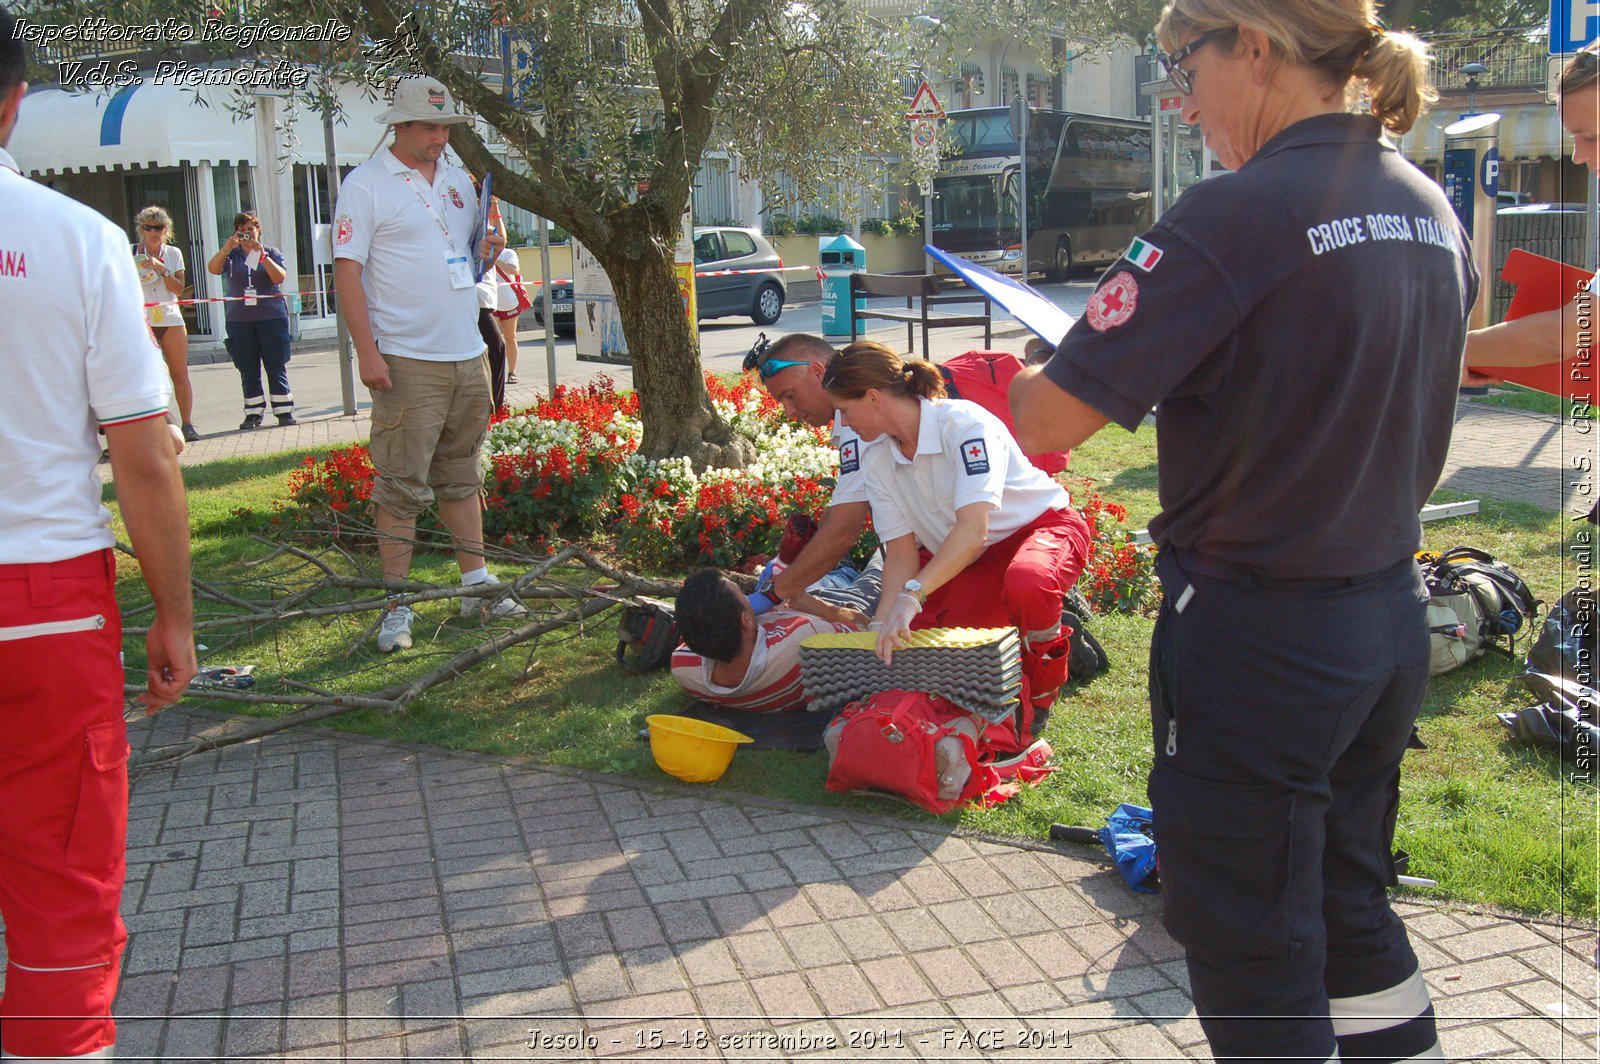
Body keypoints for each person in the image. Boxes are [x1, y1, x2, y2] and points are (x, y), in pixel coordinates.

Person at [1008, 3, 1473, 1060]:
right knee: (1347, 903)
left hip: (1260, 641)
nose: (1180, 95)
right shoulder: (1425, 206)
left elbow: (1048, 421)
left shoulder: (1231, 214)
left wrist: (1017, 375)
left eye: (1185, 62)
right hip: (1385, 621)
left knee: (1249, 934)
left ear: (1253, 46)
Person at [0, 9, 197, 1058]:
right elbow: (144, 452)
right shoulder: (76, 238)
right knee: (63, 897)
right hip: (44, 599)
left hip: (47, 593)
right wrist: (174, 612)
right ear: (15, 101)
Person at [332, 76, 518, 653]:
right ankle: (397, 606)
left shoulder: (461, 180)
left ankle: (474, 586)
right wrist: (367, 350)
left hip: (466, 348)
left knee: (462, 474)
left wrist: (491, 241)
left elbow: (474, 252)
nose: (441, 137)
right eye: (431, 127)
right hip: (406, 357)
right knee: (400, 488)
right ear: (401, 127)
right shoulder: (365, 185)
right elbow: (346, 272)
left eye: (446, 128)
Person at [821, 340, 1091, 713]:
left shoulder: (964, 425)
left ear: (873, 398)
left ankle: (1045, 688)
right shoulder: (875, 456)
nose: (843, 424)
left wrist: (911, 596)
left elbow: (973, 530)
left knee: (1027, 583)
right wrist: (880, 625)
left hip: (1040, 529)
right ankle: (1032, 635)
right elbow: (900, 553)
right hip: (969, 557)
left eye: (844, 411)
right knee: (938, 659)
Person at [744, 333, 878, 614]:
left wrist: (774, 593)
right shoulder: (855, 413)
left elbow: (842, 531)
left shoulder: (858, 423)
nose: (789, 412)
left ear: (818, 371)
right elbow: (842, 509)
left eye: (790, 396)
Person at [672, 559, 880, 713]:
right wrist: (803, 599)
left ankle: (842, 567)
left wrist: (766, 600)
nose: (749, 598)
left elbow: (698, 629)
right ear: (746, 621)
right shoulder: (803, 641)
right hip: (836, 605)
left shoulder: (685, 669)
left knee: (810, 569)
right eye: (743, 595)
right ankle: (845, 568)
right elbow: (866, 630)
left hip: (790, 605)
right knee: (883, 561)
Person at [206, 210, 296, 429]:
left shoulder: (271, 252)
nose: (247, 234)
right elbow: (213, 269)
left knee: (275, 364)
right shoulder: (232, 256)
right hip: (240, 320)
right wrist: (227, 247)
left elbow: (279, 277)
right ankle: (253, 413)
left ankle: (284, 411)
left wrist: (262, 256)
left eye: (251, 229)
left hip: (271, 317)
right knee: (248, 368)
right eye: (242, 230)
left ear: (258, 231)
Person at [132, 204, 199, 442]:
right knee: (144, 376)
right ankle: (149, 430)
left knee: (179, 373)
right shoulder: (131, 252)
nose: (153, 232)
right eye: (148, 227)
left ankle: (188, 424)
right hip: (142, 320)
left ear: (166, 229)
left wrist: (162, 269)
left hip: (170, 317)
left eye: (158, 227)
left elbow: (179, 290)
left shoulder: (173, 253)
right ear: (141, 229)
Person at [492, 247, 528, 385]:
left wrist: (495, 259)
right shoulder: (482, 250)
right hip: (491, 302)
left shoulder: (508, 253)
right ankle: (494, 372)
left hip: (509, 302)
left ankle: (512, 371)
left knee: (510, 337)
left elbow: (514, 270)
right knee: (493, 338)